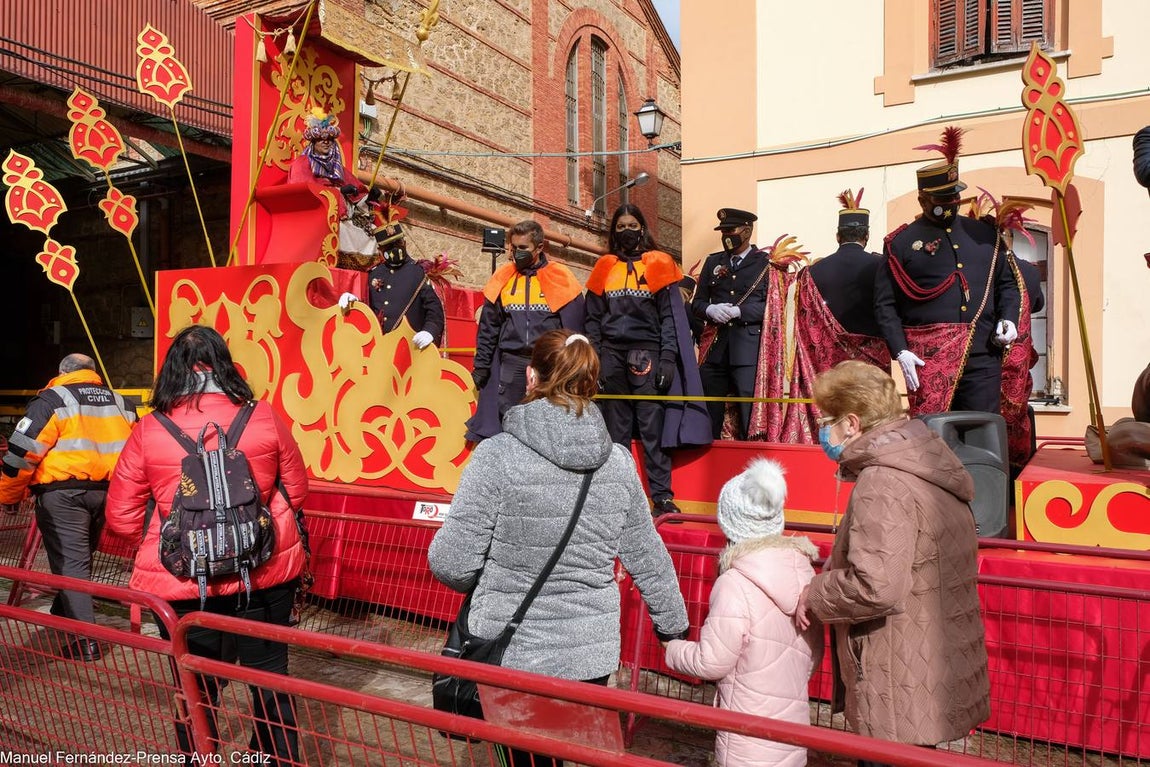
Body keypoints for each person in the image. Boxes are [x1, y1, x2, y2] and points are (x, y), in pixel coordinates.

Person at [430, 329, 689, 767]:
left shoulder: (497, 456)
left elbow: (450, 560)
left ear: (531, 377)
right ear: (591, 382)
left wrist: (494, 580)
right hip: (589, 652)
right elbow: (648, 557)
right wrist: (674, 629)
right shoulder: (620, 463)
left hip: (515, 652)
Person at [105, 325, 309, 763]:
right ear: (224, 363)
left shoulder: (149, 429)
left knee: (194, 688)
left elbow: (119, 517)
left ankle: (200, 757)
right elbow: (298, 488)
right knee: (270, 681)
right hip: (264, 572)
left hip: (182, 582)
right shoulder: (264, 415)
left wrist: (170, 524)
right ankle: (273, 758)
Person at [794, 361, 990, 766]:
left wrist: (815, 592)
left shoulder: (882, 481)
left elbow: (875, 586)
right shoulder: (923, 461)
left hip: (896, 675)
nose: (822, 431)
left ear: (851, 423)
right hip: (924, 662)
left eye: (826, 419)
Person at [664, 458, 821, 767]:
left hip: (746, 737)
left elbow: (712, 661)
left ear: (729, 523)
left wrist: (673, 650)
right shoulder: (806, 577)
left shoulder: (734, 584)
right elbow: (813, 654)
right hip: (792, 731)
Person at [0, 353, 137, 661]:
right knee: (79, 559)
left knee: (73, 567)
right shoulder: (122, 403)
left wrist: (8, 496)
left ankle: (85, 641)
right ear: (93, 373)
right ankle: (64, 612)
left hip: (63, 496)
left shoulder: (52, 400)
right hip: (107, 493)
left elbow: (21, 453)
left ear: (62, 372)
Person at [874, 126, 1020, 415]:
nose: (951, 204)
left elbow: (1007, 284)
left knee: (981, 433)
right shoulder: (901, 243)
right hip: (928, 360)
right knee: (934, 437)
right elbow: (885, 304)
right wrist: (900, 350)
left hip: (982, 356)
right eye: (942, 199)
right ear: (922, 201)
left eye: (954, 196)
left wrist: (1008, 319)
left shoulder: (985, 235)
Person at [584, 204, 711, 516]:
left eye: (632, 225)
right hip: (611, 355)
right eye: (621, 226)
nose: (627, 231)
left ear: (642, 228)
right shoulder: (604, 266)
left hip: (648, 353)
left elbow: (670, 316)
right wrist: (596, 358)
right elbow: (592, 320)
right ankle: (618, 498)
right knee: (616, 434)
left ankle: (662, 498)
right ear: (614, 231)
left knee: (652, 429)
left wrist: (667, 359)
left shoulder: (660, 263)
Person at [465, 220, 585, 441]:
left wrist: (573, 369)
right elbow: (488, 327)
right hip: (512, 364)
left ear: (539, 248)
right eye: (513, 247)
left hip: (548, 365)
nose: (516, 253)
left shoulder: (561, 278)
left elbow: (574, 331)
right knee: (508, 422)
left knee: (547, 424)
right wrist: (481, 365)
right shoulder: (502, 278)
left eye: (523, 248)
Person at [787, 190, 892, 442]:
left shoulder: (812, 272)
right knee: (870, 417)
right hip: (872, 363)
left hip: (828, 363)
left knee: (833, 415)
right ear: (866, 236)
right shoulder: (881, 267)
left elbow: (803, 322)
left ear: (837, 236)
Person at [691, 208, 769, 439]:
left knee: (748, 412)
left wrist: (739, 311)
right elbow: (697, 303)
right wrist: (710, 309)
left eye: (730, 230)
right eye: (722, 231)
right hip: (716, 350)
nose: (726, 235)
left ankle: (748, 459)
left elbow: (771, 306)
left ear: (746, 231)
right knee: (709, 412)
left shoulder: (765, 263)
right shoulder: (713, 262)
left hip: (747, 350)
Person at [364, 223, 444, 349]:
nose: (395, 249)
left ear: (405, 243)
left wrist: (429, 331)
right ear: (381, 250)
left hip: (409, 347)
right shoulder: (375, 273)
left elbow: (434, 310)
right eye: (389, 247)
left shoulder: (419, 272)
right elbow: (367, 304)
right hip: (378, 347)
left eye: (398, 243)